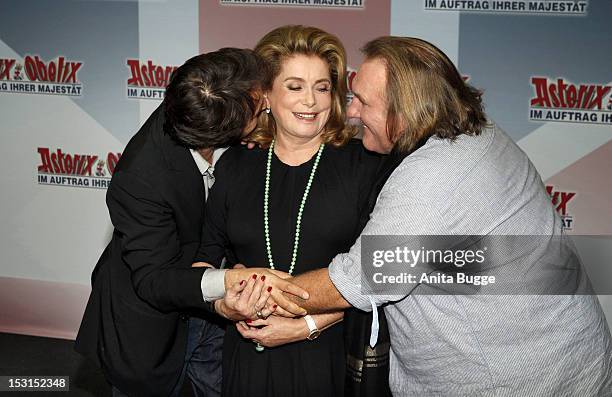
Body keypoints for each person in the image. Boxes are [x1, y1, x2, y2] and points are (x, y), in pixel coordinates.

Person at [239, 37, 612, 395]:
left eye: (363, 103)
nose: (350, 111)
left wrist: (258, 294)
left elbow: (358, 280)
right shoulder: (475, 133)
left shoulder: (434, 174)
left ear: (405, 113)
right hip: (557, 356)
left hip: (515, 378)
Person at [74, 48, 308, 397]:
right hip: (150, 325)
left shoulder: (211, 100)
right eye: (259, 106)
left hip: (217, 317)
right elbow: (154, 279)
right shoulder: (141, 178)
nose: (267, 106)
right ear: (224, 130)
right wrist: (229, 279)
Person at [194, 25, 381, 397]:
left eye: (322, 87)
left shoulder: (364, 166)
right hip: (246, 350)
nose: (310, 101)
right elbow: (203, 261)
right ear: (265, 95)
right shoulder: (235, 165)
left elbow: (382, 274)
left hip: (329, 353)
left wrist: (309, 323)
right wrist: (227, 306)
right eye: (295, 86)